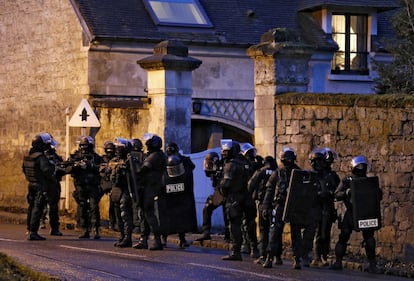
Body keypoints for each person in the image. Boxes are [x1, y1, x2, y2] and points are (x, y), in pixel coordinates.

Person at [330, 155, 383, 274]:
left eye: (362, 166)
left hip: (365, 213)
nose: (360, 168)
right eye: (358, 166)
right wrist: (346, 192)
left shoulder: (368, 182)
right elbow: (337, 194)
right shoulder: (347, 181)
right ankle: (338, 262)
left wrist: (376, 192)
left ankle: (372, 264)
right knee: (343, 236)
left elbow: (378, 196)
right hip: (351, 213)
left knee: (369, 238)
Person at [261, 147, 300, 268]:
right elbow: (270, 190)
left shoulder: (299, 173)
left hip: (294, 207)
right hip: (280, 205)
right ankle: (270, 257)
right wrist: (265, 207)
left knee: (296, 234)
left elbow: (305, 193)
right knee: (274, 233)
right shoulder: (277, 173)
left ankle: (297, 259)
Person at [219, 140, 253, 261]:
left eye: (226, 151)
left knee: (234, 225)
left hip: (234, 198)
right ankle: (256, 249)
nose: (223, 153)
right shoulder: (246, 162)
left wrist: (222, 189)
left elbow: (225, 184)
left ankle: (235, 251)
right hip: (248, 197)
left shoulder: (230, 165)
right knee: (250, 224)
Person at [66, 136, 103, 239]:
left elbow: (102, 167)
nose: (84, 148)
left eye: (86, 146)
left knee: (93, 207)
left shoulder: (95, 157)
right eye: (82, 146)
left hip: (92, 186)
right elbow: (67, 168)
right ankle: (84, 229)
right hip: (81, 186)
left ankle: (95, 229)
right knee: (82, 207)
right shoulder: (75, 156)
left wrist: (91, 166)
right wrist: (75, 166)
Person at [134, 133, 167, 250]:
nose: (146, 146)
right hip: (152, 188)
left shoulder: (154, 156)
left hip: (152, 188)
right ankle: (143, 240)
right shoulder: (159, 155)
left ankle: (157, 240)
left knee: (149, 215)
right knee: (145, 214)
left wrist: (134, 162)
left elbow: (142, 170)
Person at [309, 148, 340, 267]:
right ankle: (316, 257)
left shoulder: (333, 176)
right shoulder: (315, 174)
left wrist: (331, 193)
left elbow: (338, 189)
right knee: (318, 232)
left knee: (325, 232)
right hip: (317, 206)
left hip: (328, 206)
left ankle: (324, 256)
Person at [22, 133, 56, 240]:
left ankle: (29, 229)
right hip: (40, 186)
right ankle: (33, 232)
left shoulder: (28, 156)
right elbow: (47, 171)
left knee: (31, 207)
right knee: (38, 208)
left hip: (31, 184)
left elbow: (24, 169)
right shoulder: (41, 157)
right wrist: (52, 166)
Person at [164, 142, 196, 248]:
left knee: (180, 217)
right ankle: (164, 238)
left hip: (181, 193)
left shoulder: (185, 161)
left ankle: (181, 239)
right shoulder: (164, 161)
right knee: (167, 216)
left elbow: (190, 170)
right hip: (170, 193)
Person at [247, 155, 277, 264]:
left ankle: (263, 255)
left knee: (263, 230)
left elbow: (250, 185)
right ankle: (277, 257)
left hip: (263, 204)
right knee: (275, 231)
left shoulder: (261, 171)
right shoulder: (278, 172)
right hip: (276, 205)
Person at [195, 151, 230, 242]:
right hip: (219, 192)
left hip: (227, 192)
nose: (208, 167)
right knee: (207, 208)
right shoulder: (213, 172)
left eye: (210, 164)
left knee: (227, 212)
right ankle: (206, 232)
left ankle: (228, 235)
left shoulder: (224, 167)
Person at [108, 138, 134, 248]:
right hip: (116, 189)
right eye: (117, 147)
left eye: (120, 147)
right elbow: (107, 173)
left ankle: (128, 238)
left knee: (125, 214)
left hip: (126, 189)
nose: (118, 149)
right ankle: (122, 235)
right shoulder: (114, 160)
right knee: (118, 214)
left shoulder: (130, 159)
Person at [43, 137, 65, 236]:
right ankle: (38, 225)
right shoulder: (43, 156)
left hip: (52, 183)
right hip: (47, 183)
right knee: (42, 205)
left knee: (52, 207)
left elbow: (62, 167)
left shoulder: (53, 156)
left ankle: (54, 228)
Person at [100, 140, 118, 231]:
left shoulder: (115, 159)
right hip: (103, 183)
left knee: (114, 204)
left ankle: (112, 223)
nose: (109, 152)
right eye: (108, 150)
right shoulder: (102, 159)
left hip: (112, 183)